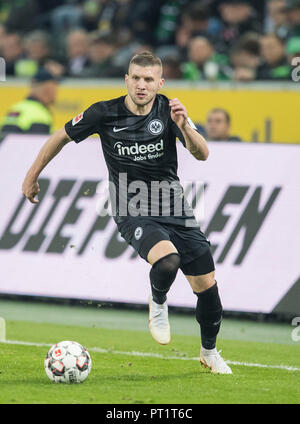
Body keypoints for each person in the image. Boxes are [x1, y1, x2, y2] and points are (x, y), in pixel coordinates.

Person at [22, 52, 232, 375]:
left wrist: (185, 127)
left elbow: (203, 153)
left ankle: (209, 352)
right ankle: (158, 301)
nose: (142, 85)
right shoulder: (104, 112)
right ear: (127, 80)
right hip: (131, 206)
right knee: (167, 259)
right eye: (136, 78)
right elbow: (60, 137)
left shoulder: (169, 110)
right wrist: (31, 175)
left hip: (173, 205)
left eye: (149, 79)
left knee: (207, 285)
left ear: (160, 83)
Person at [1, 68, 58, 135]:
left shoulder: (15, 108)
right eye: (54, 88)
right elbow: (38, 143)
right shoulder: (40, 114)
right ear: (48, 90)